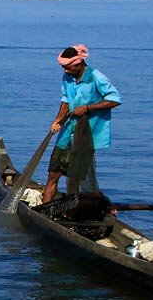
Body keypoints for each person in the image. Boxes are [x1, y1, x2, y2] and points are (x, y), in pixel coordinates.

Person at [41, 44, 121, 203]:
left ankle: (71, 211)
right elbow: (65, 100)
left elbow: (114, 99)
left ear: (78, 64)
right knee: (53, 174)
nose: (65, 71)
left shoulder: (96, 77)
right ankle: (45, 208)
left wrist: (87, 108)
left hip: (85, 135)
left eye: (68, 67)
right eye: (63, 67)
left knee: (74, 178)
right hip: (67, 133)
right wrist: (57, 121)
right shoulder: (68, 77)